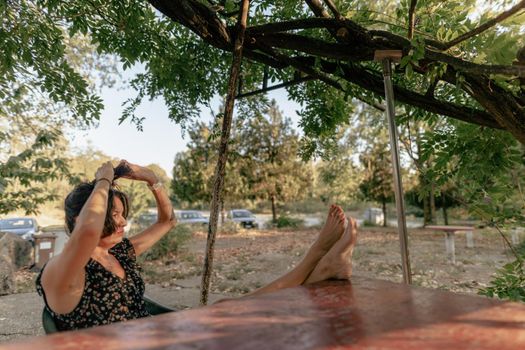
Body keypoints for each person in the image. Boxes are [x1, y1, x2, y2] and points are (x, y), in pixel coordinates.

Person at [36, 160, 357, 331]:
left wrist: (151, 179)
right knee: (235, 319)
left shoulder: (118, 252)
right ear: (81, 219)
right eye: (113, 215)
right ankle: (318, 262)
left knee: (228, 308)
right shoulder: (62, 272)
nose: (122, 223)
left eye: (123, 214)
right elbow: (88, 233)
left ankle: (319, 267)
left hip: (158, 336)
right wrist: (103, 180)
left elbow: (167, 222)